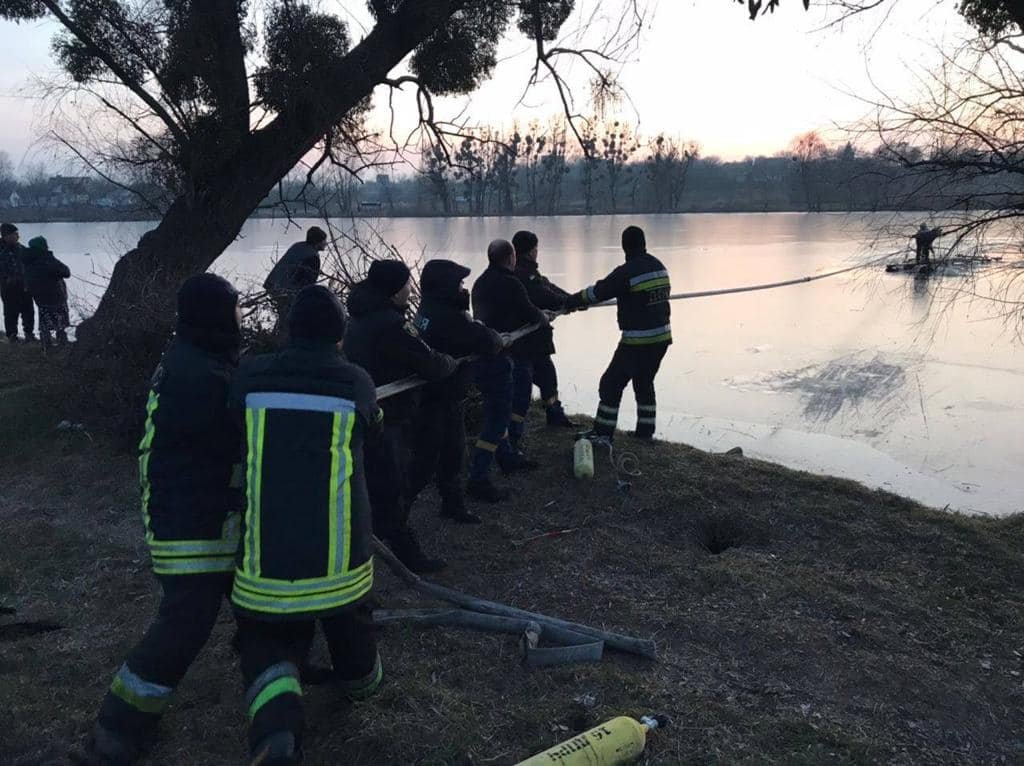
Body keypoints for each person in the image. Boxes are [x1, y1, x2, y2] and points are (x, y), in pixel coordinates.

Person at [80, 274, 244, 765]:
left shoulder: (192, 359)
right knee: (184, 625)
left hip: (189, 513)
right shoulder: (205, 377)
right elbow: (243, 429)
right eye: (236, 309)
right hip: (190, 523)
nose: (242, 318)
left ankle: (280, 682)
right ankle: (117, 727)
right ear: (217, 316)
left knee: (255, 613)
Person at [229, 286, 382, 765]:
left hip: (265, 565)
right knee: (352, 630)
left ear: (288, 329)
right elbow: (372, 431)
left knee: (266, 641)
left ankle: (277, 729)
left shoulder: (249, 377)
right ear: (339, 335)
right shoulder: (354, 381)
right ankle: (361, 682)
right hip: (342, 566)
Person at [343, 260, 457, 572]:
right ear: (394, 291)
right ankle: (404, 555)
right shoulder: (391, 325)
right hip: (387, 416)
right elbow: (430, 363)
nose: (410, 289)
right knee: (395, 483)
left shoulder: (359, 317)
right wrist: (450, 363)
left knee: (379, 483)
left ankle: (378, 539)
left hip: (366, 413)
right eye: (407, 284)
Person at [409, 259, 505, 524]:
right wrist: (486, 331)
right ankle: (395, 518)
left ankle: (452, 504)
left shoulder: (427, 307)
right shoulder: (448, 316)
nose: (464, 288)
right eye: (460, 284)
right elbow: (488, 341)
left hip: (438, 396)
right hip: (441, 398)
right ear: (446, 287)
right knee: (431, 459)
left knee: (450, 454)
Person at [564, 226, 671, 440]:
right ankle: (645, 433)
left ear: (624, 246)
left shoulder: (627, 272)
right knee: (644, 382)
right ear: (644, 243)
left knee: (611, 383)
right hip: (662, 339)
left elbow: (598, 292)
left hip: (637, 341)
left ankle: (603, 433)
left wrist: (571, 301)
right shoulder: (658, 266)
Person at [469, 239, 549, 501]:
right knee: (511, 407)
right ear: (511, 258)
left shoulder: (480, 283)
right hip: (506, 354)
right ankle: (490, 466)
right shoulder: (511, 282)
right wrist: (543, 317)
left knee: (497, 411)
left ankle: (506, 455)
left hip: (485, 355)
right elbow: (530, 311)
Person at [510, 230, 576, 446]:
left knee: (548, 378)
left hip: (536, 343)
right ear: (531, 251)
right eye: (536, 249)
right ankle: (514, 436)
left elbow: (549, 287)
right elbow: (544, 295)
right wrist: (566, 303)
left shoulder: (529, 272)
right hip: (524, 344)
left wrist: (573, 300)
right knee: (523, 389)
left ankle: (554, 414)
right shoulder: (522, 275)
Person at [263, 226, 328, 333]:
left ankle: (277, 338)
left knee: (284, 316)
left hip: (272, 284)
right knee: (290, 316)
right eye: (324, 240)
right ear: (318, 242)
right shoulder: (312, 257)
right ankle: (284, 339)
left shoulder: (298, 246)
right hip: (285, 289)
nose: (326, 243)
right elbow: (307, 284)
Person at [24, 236, 71, 348]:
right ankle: (62, 345)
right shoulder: (47, 261)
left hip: (40, 299)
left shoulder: (28, 261)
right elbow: (66, 272)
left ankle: (46, 346)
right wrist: (50, 257)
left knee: (45, 324)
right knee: (60, 325)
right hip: (56, 297)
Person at [0, 223, 36, 343]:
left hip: (25, 286)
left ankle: (29, 334)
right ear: (6, 236)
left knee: (29, 311)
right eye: (15, 234)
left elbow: (32, 263)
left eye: (17, 234)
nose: (18, 236)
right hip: (8, 288)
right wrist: (7, 278)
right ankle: (12, 336)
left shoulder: (22, 249)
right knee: (10, 313)